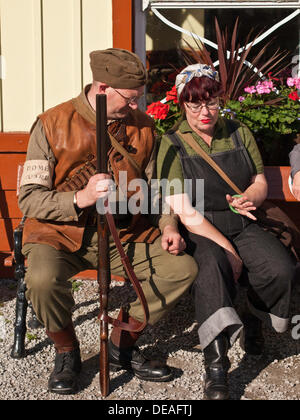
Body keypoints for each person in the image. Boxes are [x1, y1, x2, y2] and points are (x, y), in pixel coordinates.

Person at [18, 48, 198, 395]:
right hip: (57, 234)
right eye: (130, 99)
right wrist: (79, 198)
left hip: (122, 232)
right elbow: (29, 198)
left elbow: (159, 188)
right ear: (102, 89)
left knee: (181, 269)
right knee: (40, 279)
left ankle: (120, 345)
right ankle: (67, 351)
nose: (135, 106)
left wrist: (169, 224)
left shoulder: (144, 128)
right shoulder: (51, 124)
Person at [157, 63, 296, 400]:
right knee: (214, 272)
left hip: (243, 220)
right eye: (195, 104)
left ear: (220, 100)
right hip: (201, 228)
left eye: (211, 102)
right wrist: (229, 251)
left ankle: (253, 315)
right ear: (182, 104)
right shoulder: (172, 144)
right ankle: (216, 367)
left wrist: (252, 196)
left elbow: (260, 180)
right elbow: (182, 209)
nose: (205, 112)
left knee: (280, 269)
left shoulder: (238, 131)